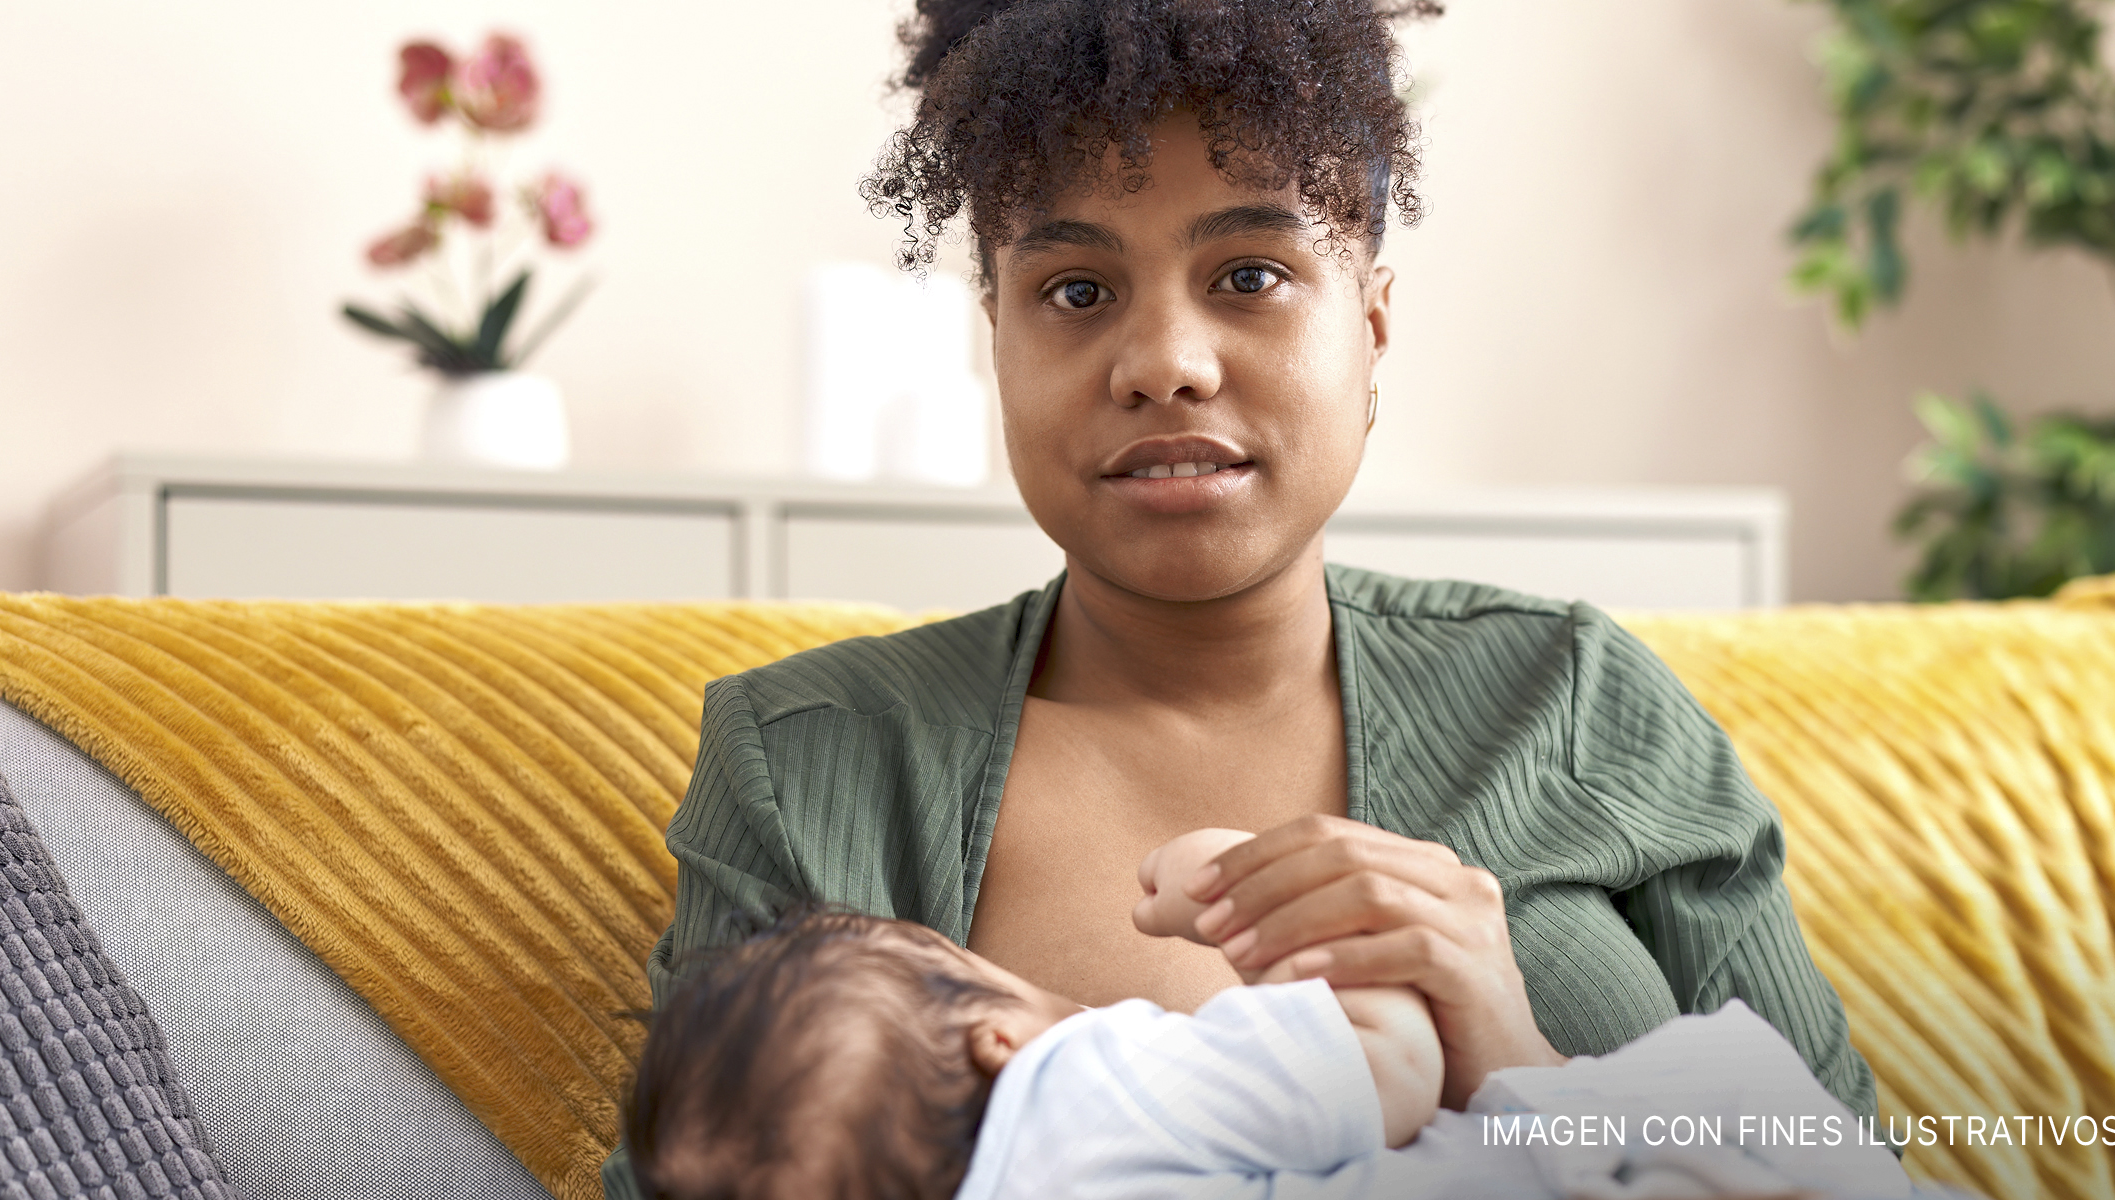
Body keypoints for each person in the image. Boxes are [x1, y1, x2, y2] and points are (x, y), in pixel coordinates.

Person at [604, 0, 1872, 1191]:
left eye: (1251, 275)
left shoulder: (1584, 702)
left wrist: (1510, 1050)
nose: (1165, 363)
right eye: (1077, 291)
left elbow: (1860, 1172)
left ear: (1372, 326)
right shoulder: (806, 761)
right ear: (996, 335)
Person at [621, 836, 1913, 1200]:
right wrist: (1238, 895)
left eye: (1247, 276)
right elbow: (1395, 1065)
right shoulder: (1085, 1090)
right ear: (995, 1037)